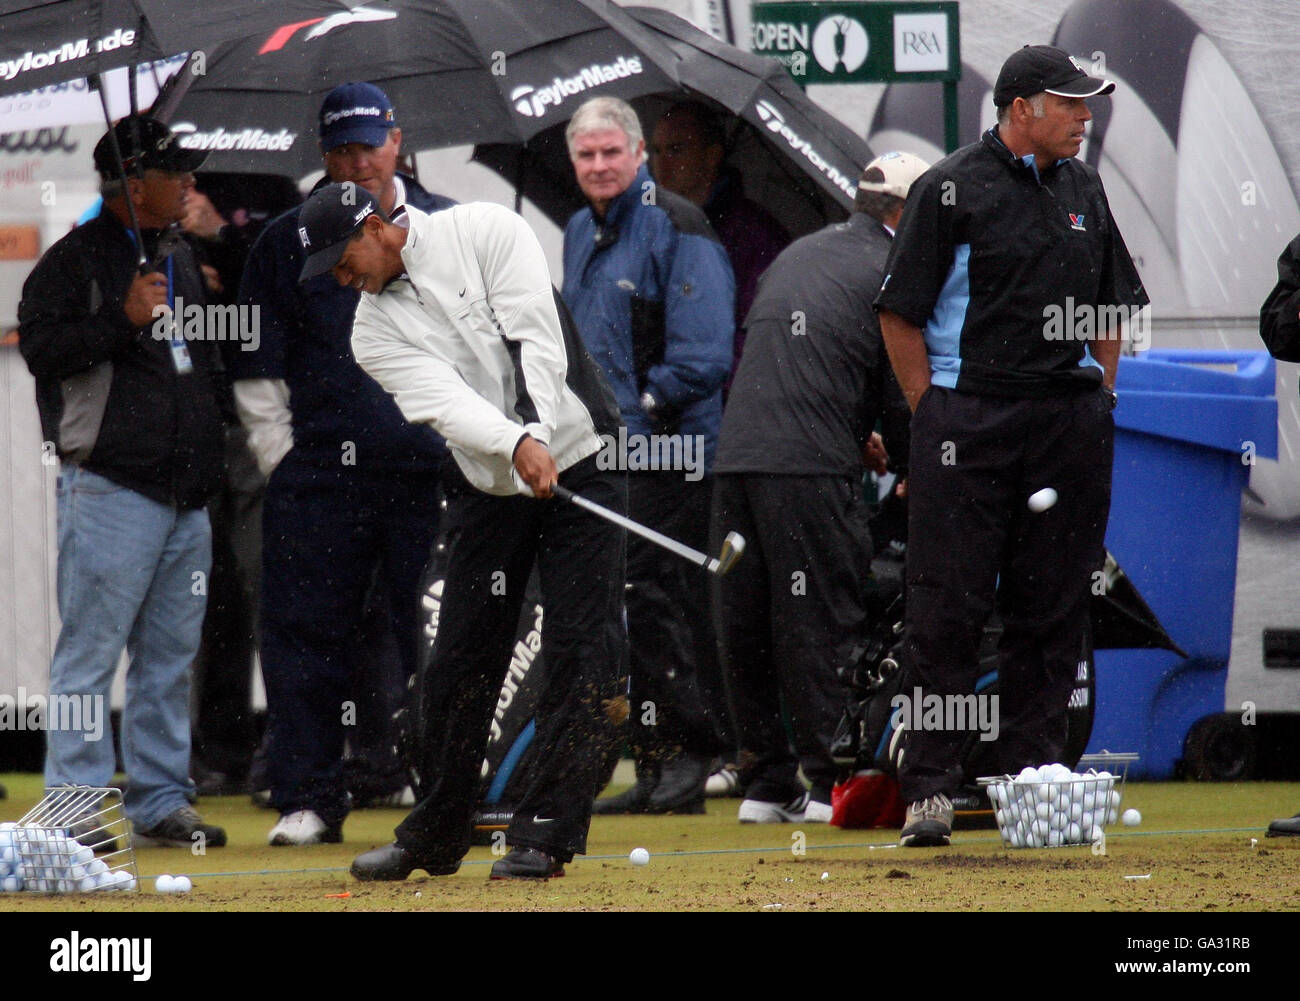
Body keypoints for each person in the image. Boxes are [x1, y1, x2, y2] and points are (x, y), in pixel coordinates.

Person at [288, 182, 629, 880]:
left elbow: (539, 339)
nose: (341, 277)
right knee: (456, 659)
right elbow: (443, 404)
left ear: (376, 225)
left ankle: (544, 833)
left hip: (581, 458)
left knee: (579, 649)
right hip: (489, 483)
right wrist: (515, 446)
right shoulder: (370, 331)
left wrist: (538, 434)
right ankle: (436, 833)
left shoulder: (487, 230)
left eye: (342, 258)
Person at [875, 45, 1148, 847]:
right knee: (946, 605)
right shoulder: (948, 188)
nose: (1085, 116)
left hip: (1065, 425)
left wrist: (1099, 394)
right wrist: (933, 413)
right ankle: (929, 788)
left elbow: (1109, 304)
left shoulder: (1083, 187)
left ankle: (1035, 783)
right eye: (1072, 103)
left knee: (1056, 603)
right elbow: (899, 312)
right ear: (1022, 107)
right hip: (971, 423)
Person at [233, 82, 454, 846]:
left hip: (430, 467)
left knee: (441, 634)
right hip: (321, 473)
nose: (356, 162)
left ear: (396, 139)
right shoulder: (286, 237)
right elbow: (257, 363)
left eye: (368, 145)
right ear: (323, 155)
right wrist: (283, 460)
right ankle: (308, 795)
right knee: (302, 631)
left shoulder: (446, 224)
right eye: (339, 151)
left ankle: (450, 790)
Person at [17, 115, 228, 848]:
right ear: (136, 184)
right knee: (88, 657)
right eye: (179, 172)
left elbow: (201, 365)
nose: (191, 183)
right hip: (110, 488)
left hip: (185, 495)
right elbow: (41, 350)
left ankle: (160, 798)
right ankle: (72, 809)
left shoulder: (180, 253)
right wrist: (121, 316)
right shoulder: (71, 263)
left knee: (169, 660)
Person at [712, 152, 923, 824]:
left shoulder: (800, 253)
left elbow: (797, 360)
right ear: (906, 213)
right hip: (806, 468)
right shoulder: (895, 266)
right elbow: (898, 382)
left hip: (738, 457)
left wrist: (844, 423)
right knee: (818, 621)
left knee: (743, 622)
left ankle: (767, 783)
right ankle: (830, 779)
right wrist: (914, 460)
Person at [562, 96, 735, 815]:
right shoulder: (577, 229)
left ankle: (693, 759)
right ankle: (659, 761)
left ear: (637, 154)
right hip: (606, 452)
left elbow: (706, 353)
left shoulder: (678, 223)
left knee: (664, 601)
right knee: (629, 605)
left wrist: (640, 413)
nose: (599, 166)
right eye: (586, 155)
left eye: (611, 152)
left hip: (672, 451)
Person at [649, 101, 790, 375]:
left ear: (712, 156)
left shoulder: (754, 237)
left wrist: (694, 384)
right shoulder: (647, 227)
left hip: (715, 404)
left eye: (676, 150)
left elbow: (759, 337)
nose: (661, 164)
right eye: (656, 151)